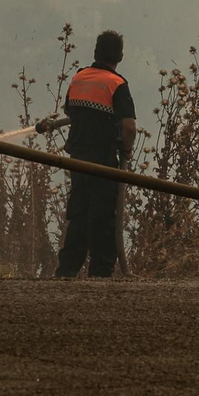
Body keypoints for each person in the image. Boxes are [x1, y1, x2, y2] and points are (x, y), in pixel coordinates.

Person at [54, 30, 137, 278]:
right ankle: (100, 274)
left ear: (95, 52)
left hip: (78, 159)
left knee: (78, 215)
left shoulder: (79, 78)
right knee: (102, 219)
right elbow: (129, 127)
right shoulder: (117, 84)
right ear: (120, 56)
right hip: (103, 162)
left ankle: (66, 271)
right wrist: (126, 149)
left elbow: (71, 111)